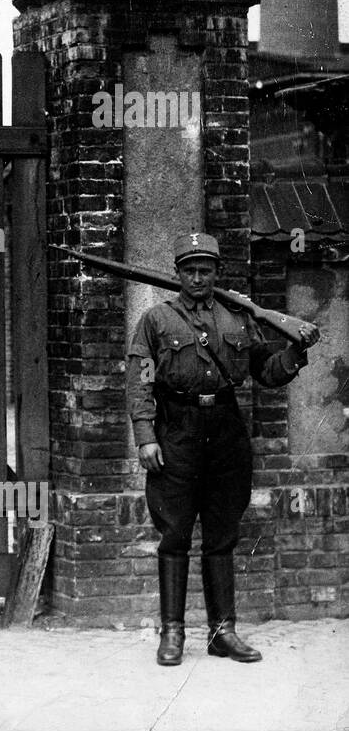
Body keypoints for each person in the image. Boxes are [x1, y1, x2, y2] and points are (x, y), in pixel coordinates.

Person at [127, 231, 318, 666]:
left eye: (205, 269)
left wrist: (294, 351)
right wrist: (145, 436)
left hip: (226, 432)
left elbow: (266, 372)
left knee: (222, 534)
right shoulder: (156, 320)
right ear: (177, 273)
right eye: (189, 270)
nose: (197, 277)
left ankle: (222, 632)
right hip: (176, 430)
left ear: (217, 272)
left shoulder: (238, 317)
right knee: (174, 532)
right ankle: (172, 633)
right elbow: (140, 384)